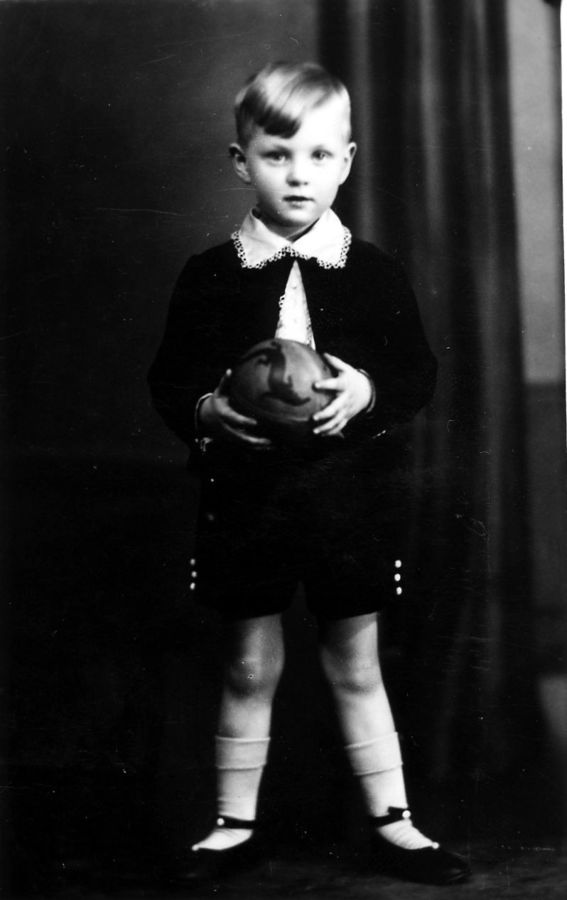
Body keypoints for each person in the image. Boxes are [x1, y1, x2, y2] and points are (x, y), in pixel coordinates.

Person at [148, 61, 470, 887]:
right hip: (245, 497)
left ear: (347, 161)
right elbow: (169, 378)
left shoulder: (373, 270)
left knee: (354, 663)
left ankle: (395, 823)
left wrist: (366, 389)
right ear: (239, 161)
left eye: (319, 155)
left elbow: (416, 372)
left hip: (346, 495)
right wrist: (205, 411)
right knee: (248, 664)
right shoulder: (209, 273)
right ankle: (232, 826)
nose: (298, 174)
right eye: (276, 154)